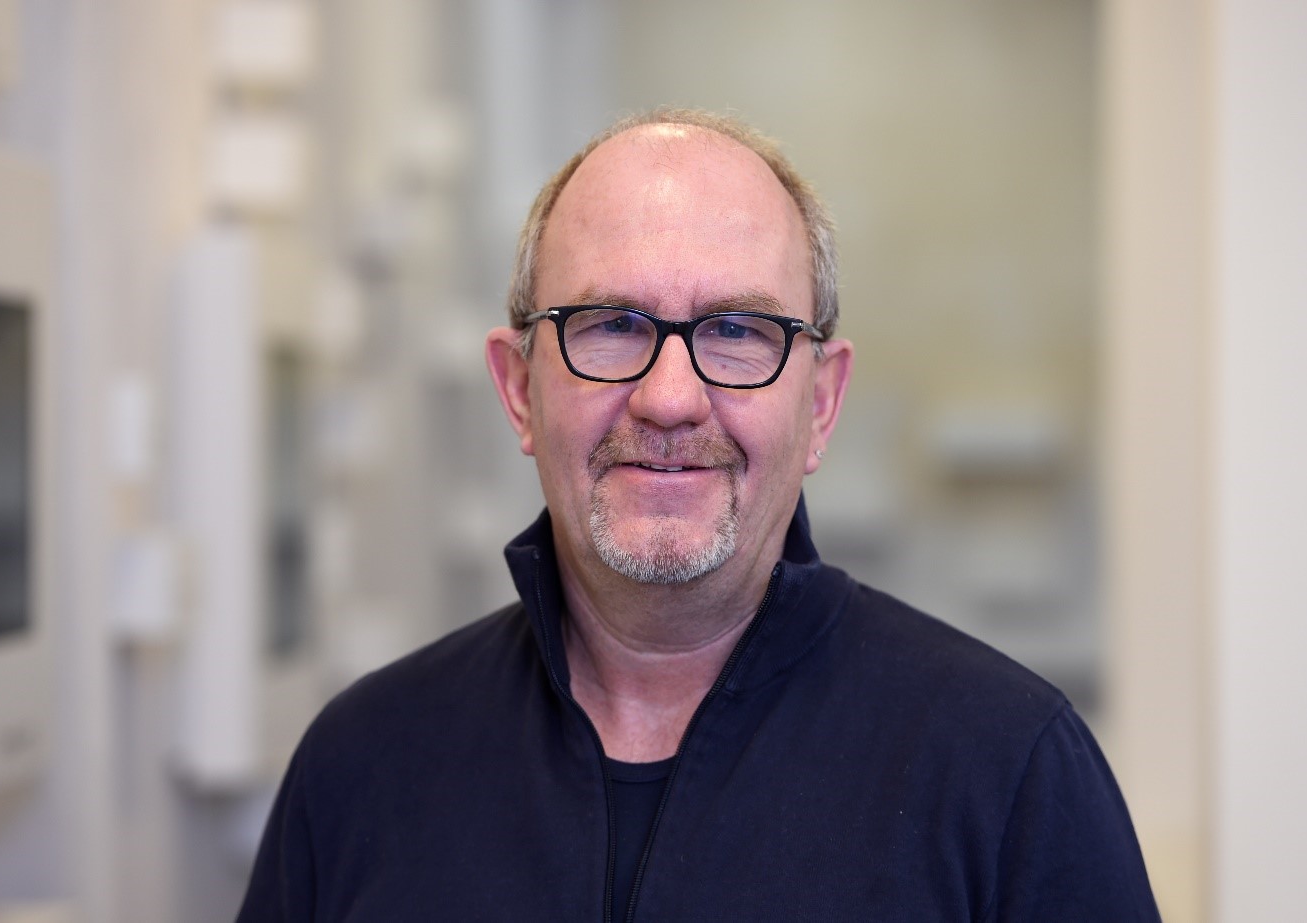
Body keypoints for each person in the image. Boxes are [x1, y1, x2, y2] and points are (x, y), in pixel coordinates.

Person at [237, 107, 1159, 922]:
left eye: (736, 331)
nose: (670, 399)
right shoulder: (361, 767)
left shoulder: (1008, 775)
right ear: (519, 389)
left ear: (821, 404)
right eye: (612, 324)